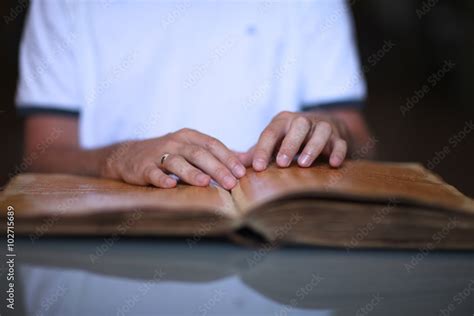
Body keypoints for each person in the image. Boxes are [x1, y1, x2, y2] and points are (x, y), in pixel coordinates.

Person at [16, 0, 372, 190]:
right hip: (105, 260)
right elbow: (40, 157)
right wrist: (115, 159)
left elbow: (366, 146)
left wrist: (334, 132)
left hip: (280, 261)